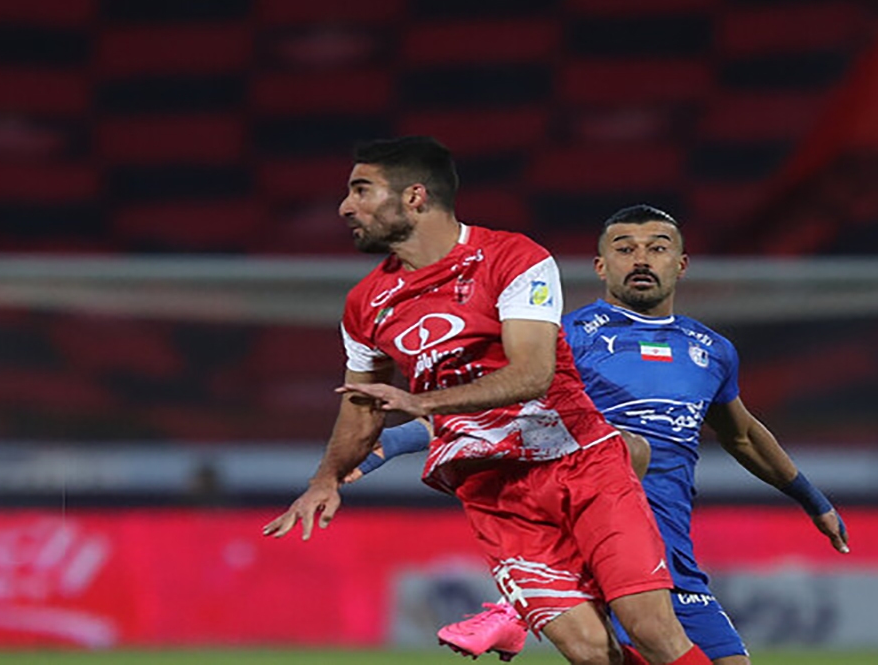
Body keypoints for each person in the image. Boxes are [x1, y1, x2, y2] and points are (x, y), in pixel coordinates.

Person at [262, 137, 715, 665]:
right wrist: (326, 479)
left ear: (414, 197)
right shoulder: (365, 303)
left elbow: (533, 374)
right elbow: (360, 406)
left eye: (361, 190)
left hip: (579, 462)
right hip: (494, 492)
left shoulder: (513, 258)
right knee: (591, 653)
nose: (346, 207)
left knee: (652, 630)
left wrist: (427, 403)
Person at [352, 204, 851, 664]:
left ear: (681, 264)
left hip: (673, 550)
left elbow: (742, 436)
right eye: (625, 248)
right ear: (600, 266)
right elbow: (488, 409)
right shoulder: (565, 338)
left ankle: (513, 611)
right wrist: (389, 443)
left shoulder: (711, 350)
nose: (641, 259)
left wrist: (813, 501)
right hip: (599, 549)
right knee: (628, 454)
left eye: (657, 248)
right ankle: (515, 608)